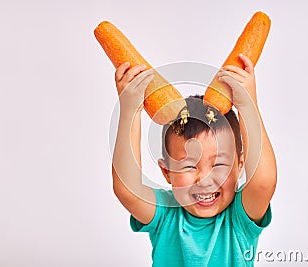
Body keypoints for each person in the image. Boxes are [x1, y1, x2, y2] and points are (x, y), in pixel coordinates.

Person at [111, 54, 277, 266]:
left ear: (241, 165)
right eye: (189, 166)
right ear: (167, 172)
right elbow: (127, 190)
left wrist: (247, 105)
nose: (204, 179)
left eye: (218, 164)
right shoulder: (166, 214)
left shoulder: (239, 217)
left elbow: (264, 182)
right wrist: (130, 111)